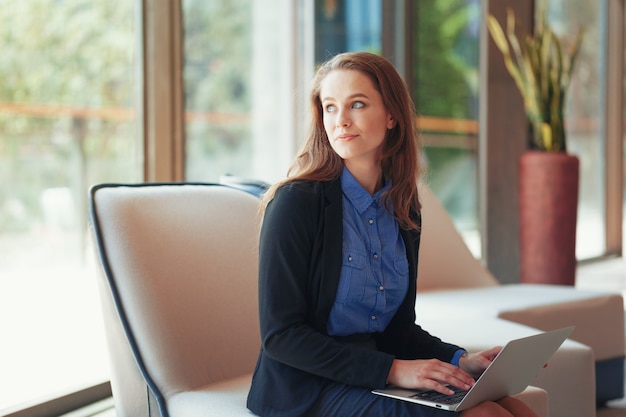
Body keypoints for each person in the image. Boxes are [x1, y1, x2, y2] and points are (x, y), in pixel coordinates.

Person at [246, 51, 539, 417]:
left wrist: (462, 360)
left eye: (357, 104)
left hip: (374, 374)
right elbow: (281, 337)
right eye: (330, 107)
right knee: (486, 415)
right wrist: (396, 370)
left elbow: (397, 329)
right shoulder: (295, 203)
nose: (341, 121)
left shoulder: (402, 206)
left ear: (391, 115)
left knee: (519, 408)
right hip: (309, 388)